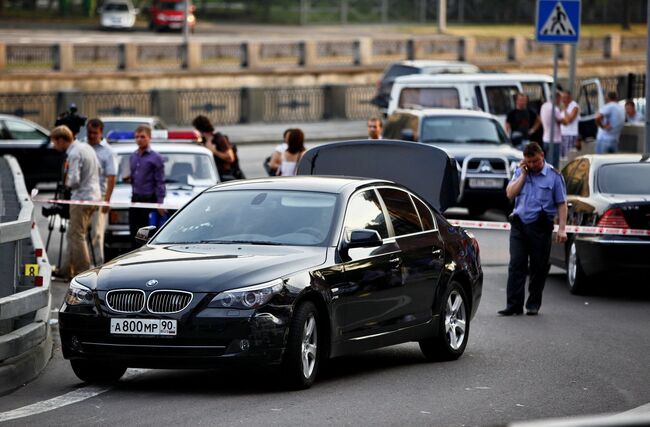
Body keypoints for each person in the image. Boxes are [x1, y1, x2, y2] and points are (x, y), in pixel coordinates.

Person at [498, 142, 567, 316]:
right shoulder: (520, 171)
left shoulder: (553, 176)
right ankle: (513, 305)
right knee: (516, 264)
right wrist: (522, 175)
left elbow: (562, 204)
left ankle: (533, 303)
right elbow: (510, 194)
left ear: (542, 155)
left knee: (538, 267)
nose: (533, 165)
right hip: (520, 224)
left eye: (535, 161)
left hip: (541, 226)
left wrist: (562, 229)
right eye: (529, 162)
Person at [51, 125, 101, 278]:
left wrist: (65, 182)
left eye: (54, 141)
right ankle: (67, 269)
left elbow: (74, 180)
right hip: (94, 196)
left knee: (77, 235)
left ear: (61, 140)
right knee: (74, 234)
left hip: (81, 199)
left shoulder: (73, 153)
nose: (54, 145)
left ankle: (82, 272)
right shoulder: (86, 147)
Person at [123, 125, 165, 249]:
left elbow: (160, 181)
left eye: (143, 137)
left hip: (149, 200)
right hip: (135, 199)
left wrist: (160, 203)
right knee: (134, 232)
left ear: (149, 138)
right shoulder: (133, 156)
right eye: (137, 137)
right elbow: (136, 176)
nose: (139, 139)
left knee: (146, 233)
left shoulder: (155, 157)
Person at [85, 118, 116, 265]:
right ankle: (84, 264)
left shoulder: (108, 152)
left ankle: (98, 264)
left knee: (96, 234)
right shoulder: (83, 147)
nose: (92, 136)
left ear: (101, 133)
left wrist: (107, 200)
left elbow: (111, 177)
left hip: (99, 196)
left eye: (95, 133)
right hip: (83, 195)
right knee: (80, 234)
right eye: (89, 132)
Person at [191, 115, 239, 181]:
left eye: (196, 129)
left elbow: (230, 158)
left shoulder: (219, 139)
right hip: (208, 176)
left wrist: (214, 151)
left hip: (222, 176)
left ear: (200, 129)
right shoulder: (203, 141)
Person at [539, 91, 563, 168]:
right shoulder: (555, 109)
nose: (561, 101)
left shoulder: (544, 106)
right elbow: (563, 121)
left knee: (546, 164)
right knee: (553, 166)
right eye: (560, 99)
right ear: (556, 98)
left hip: (545, 139)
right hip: (554, 140)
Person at [560, 91, 580, 159]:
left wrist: (565, 109)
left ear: (570, 98)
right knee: (562, 157)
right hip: (562, 134)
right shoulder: (563, 106)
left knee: (568, 157)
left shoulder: (574, 106)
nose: (563, 100)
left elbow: (569, 120)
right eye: (562, 98)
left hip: (570, 135)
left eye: (564, 98)